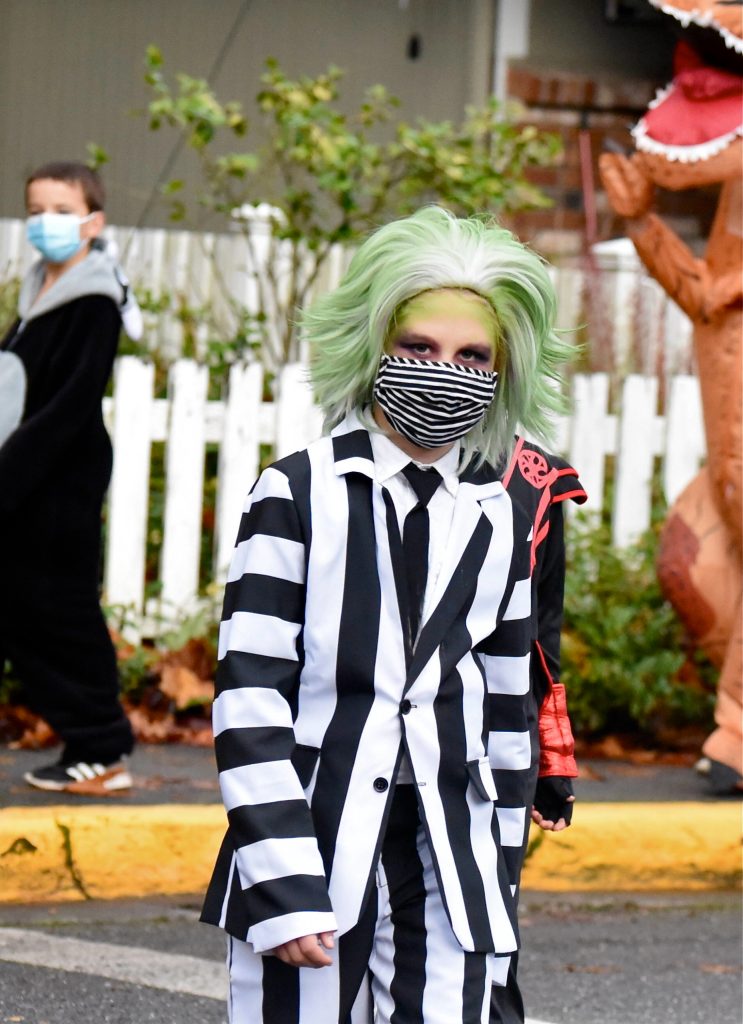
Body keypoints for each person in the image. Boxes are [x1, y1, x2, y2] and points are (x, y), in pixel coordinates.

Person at [200, 206, 577, 1023]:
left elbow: (505, 704)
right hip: (311, 838)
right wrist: (282, 877)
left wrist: (499, 871)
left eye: (473, 355)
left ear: (502, 374)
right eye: (419, 348)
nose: (446, 371)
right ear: (374, 348)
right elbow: (249, 694)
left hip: (450, 852)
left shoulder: (498, 513)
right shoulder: (295, 493)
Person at [0, 161, 136, 794]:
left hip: (59, 487)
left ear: (92, 221)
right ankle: (89, 743)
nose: (45, 221)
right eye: (36, 209)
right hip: (28, 483)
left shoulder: (92, 300)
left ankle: (102, 749)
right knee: (24, 611)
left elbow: (67, 407)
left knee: (62, 613)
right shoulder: (40, 292)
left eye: (60, 209)